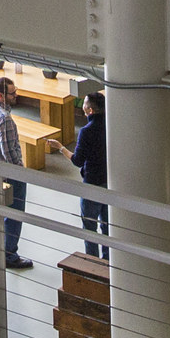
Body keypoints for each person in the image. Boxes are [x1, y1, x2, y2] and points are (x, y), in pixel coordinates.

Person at [0, 76, 34, 271]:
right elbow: (10, 154)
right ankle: (9, 254)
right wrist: (22, 173)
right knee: (14, 215)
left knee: (0, 211)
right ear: (1, 95)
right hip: (10, 175)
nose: (16, 95)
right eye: (12, 93)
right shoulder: (5, 120)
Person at [68, 91, 108, 261]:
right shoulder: (111, 125)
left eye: (84, 103)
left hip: (92, 182)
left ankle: (93, 264)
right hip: (109, 181)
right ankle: (108, 261)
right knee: (107, 226)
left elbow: (77, 160)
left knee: (89, 226)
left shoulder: (86, 131)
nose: (82, 105)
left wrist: (62, 149)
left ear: (90, 110)